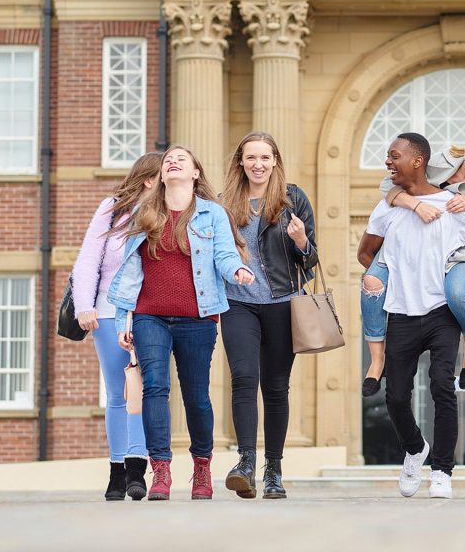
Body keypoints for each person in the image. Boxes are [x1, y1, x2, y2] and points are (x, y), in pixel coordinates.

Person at [357, 133, 465, 499]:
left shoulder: (452, 205)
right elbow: (366, 254)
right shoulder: (387, 207)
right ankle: (414, 449)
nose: (388, 163)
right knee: (395, 397)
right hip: (402, 313)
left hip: (441, 313)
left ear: (418, 161)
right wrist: (393, 277)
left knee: (442, 387)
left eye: (394, 157)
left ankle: (442, 471)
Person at [109, 145, 255, 501]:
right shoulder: (144, 213)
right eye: (168, 160)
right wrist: (122, 318)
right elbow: (129, 271)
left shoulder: (212, 214)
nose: (172, 161)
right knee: (155, 388)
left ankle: (202, 469)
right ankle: (160, 470)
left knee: (196, 396)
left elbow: (223, 253)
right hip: (149, 315)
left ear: (194, 173)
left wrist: (237, 269)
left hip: (197, 316)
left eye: (181, 159)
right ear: (160, 174)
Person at [361, 122, 465, 396]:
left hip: (460, 253)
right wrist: (415, 204)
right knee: (371, 281)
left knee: (457, 294)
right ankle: (377, 359)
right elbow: (390, 185)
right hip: (415, 238)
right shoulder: (442, 160)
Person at [219, 131, 318, 499]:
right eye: (251, 158)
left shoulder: (293, 199)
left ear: (275, 160)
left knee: (276, 387)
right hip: (238, 302)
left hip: (281, 302)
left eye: (265, 157)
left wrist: (301, 241)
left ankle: (273, 470)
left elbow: (311, 262)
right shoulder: (223, 203)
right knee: (243, 377)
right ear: (240, 163)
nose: (258, 164)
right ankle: (245, 462)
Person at [72, 152, 161, 501]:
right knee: (117, 391)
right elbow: (88, 259)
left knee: (141, 390)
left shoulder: (168, 212)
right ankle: (116, 471)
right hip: (108, 310)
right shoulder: (111, 208)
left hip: (149, 313)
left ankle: (137, 469)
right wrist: (84, 306)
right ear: (150, 180)